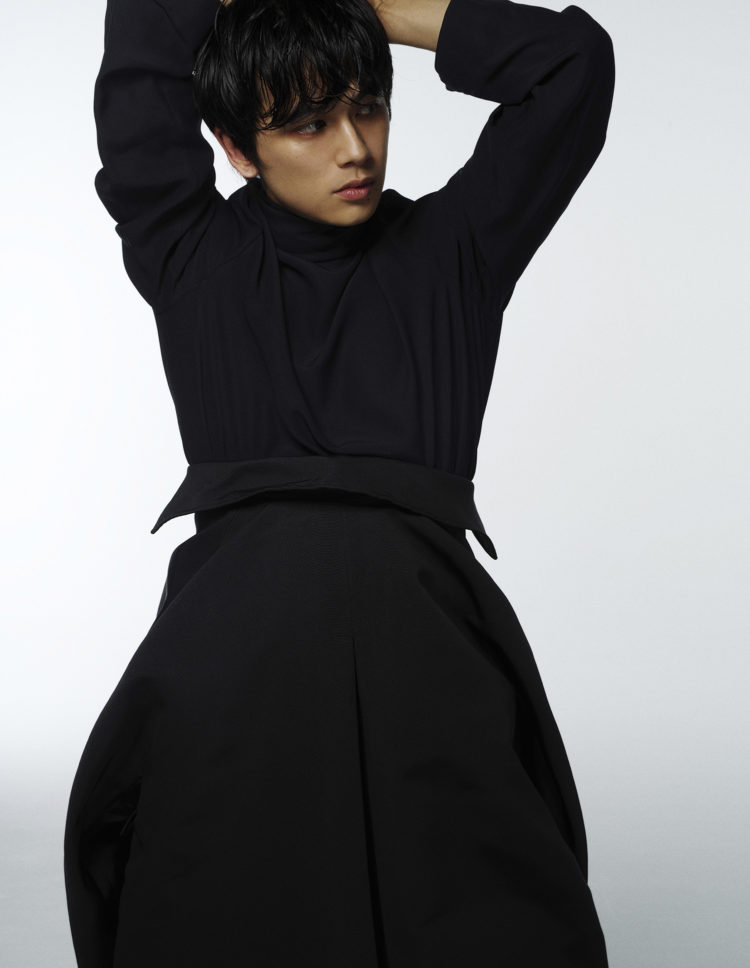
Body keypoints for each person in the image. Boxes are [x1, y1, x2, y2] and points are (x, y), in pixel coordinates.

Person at [63, 0, 616, 965]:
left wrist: (365, 9)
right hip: (235, 658)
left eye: (369, 108)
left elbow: (573, 63)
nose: (355, 148)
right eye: (308, 123)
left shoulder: (456, 250)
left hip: (426, 650)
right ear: (237, 150)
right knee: (223, 917)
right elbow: (145, 35)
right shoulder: (190, 254)